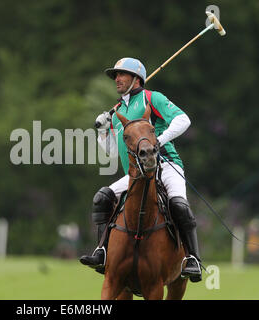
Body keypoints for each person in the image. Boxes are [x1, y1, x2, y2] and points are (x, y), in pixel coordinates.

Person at [79, 57, 202, 282]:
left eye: (122, 74)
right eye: (115, 75)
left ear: (136, 78)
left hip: (165, 165)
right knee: (102, 198)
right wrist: (102, 131)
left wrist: (158, 142)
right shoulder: (117, 113)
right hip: (134, 176)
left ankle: (193, 259)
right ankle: (102, 251)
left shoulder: (151, 98)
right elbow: (111, 152)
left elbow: (183, 120)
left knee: (178, 204)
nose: (116, 79)